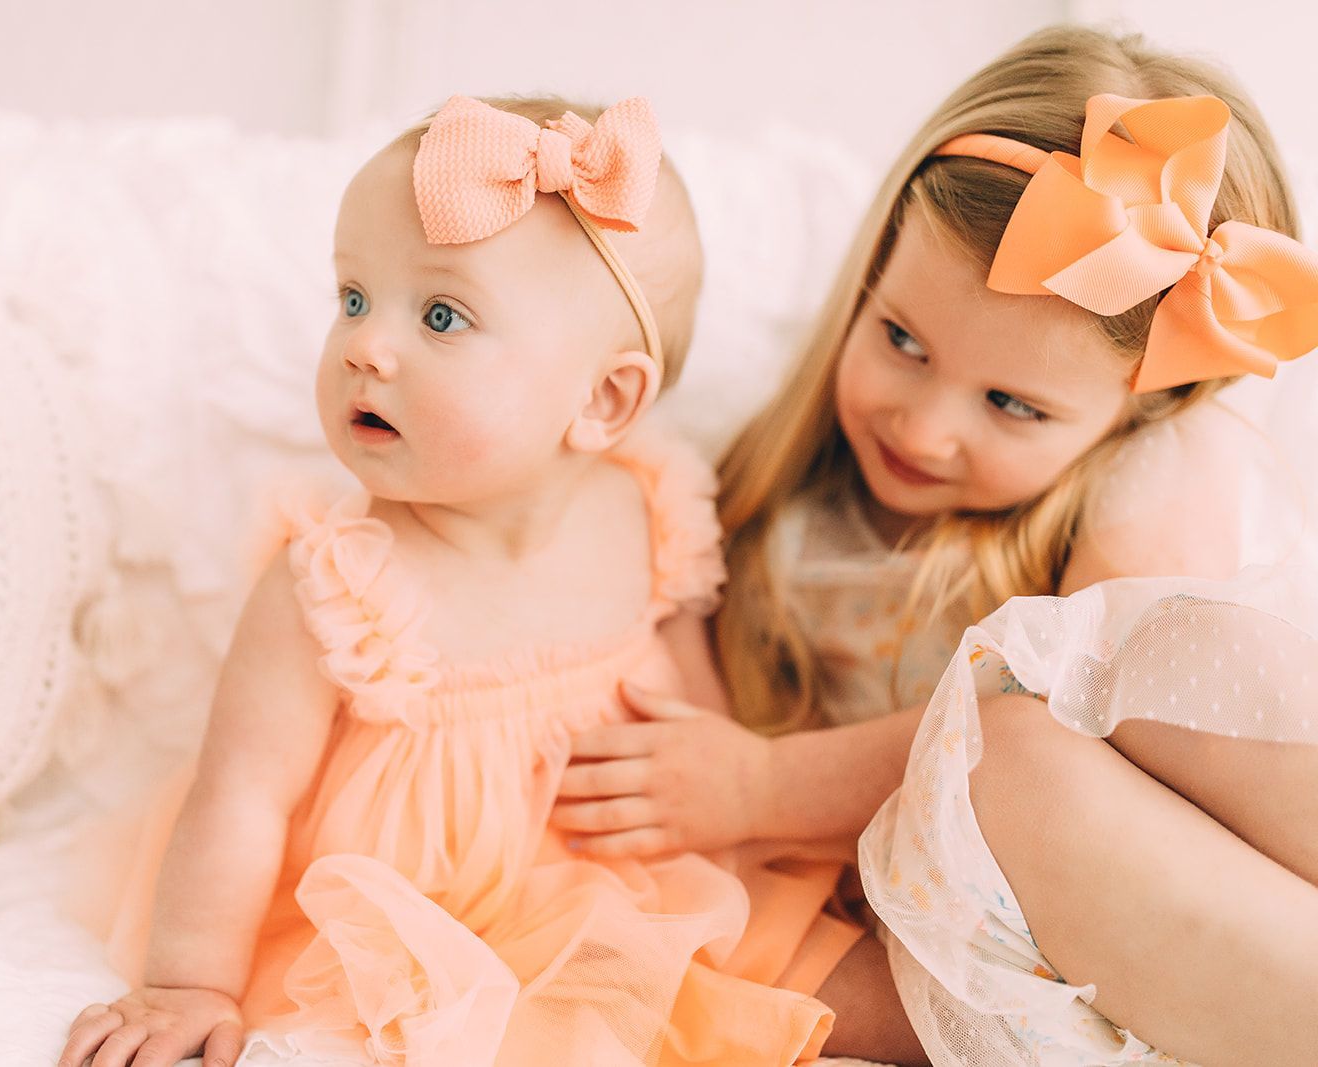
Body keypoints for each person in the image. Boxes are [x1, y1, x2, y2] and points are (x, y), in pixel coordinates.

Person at [57, 94, 922, 1067]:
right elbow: (239, 798)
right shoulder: (338, 589)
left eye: (439, 315)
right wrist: (189, 981)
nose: (363, 346)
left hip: (643, 886)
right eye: (351, 297)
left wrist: (736, 832)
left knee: (891, 1009)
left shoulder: (648, 506)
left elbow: (695, 708)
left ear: (603, 398)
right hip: (438, 933)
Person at [552, 25, 1318, 1066]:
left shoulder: (1153, 477)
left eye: (1011, 403)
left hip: (1176, 911)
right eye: (900, 339)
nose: (921, 426)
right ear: (868, 272)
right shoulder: (766, 505)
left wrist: (764, 788)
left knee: (1088, 698)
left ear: (1139, 416)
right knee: (1001, 752)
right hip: (984, 962)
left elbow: (1081, 703)